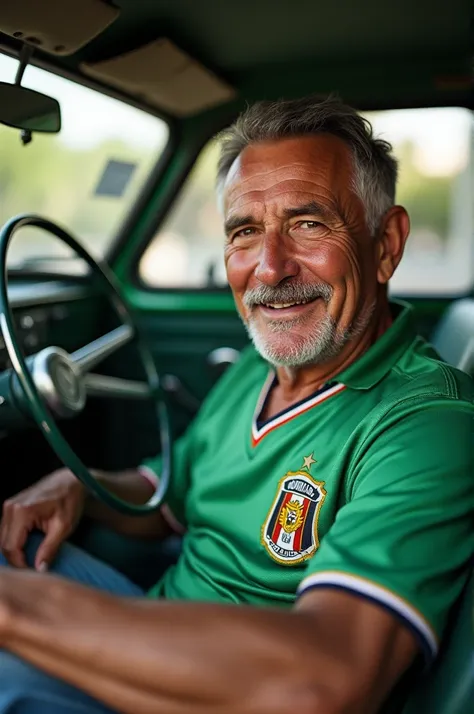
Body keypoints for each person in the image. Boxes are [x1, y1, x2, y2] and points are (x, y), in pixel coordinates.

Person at [0, 95, 472, 714]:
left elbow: (324, 680)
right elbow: (170, 497)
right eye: (245, 232)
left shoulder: (426, 425)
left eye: (308, 224)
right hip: (158, 626)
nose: (269, 268)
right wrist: (80, 487)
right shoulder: (262, 362)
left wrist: (16, 609)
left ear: (386, 244)